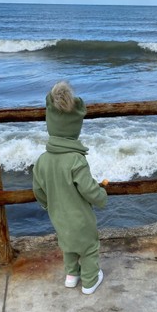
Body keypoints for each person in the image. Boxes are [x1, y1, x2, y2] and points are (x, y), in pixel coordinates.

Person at [33, 81, 108, 295]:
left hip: (58, 216)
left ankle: (71, 276)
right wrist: (102, 196)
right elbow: (88, 189)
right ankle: (90, 281)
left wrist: (49, 206)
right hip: (80, 218)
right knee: (88, 247)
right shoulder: (76, 160)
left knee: (68, 245)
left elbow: (38, 190)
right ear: (75, 127)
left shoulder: (42, 160)